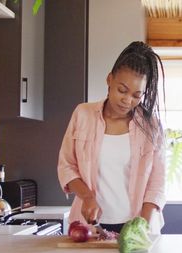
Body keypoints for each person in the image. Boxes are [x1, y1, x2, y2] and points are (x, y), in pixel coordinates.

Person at [57, 41, 166, 234]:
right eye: (122, 90)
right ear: (109, 79)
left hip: (137, 225)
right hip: (89, 226)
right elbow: (67, 166)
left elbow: (157, 183)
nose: (127, 100)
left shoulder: (152, 126)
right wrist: (87, 197)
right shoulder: (83, 114)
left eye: (136, 95)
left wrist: (141, 227)